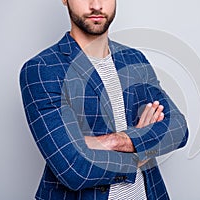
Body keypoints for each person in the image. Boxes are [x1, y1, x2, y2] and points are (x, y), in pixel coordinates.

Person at [19, 0, 189, 199]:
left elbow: (178, 130)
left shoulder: (134, 59)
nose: (96, 4)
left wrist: (115, 140)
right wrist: (142, 147)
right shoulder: (43, 69)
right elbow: (73, 169)